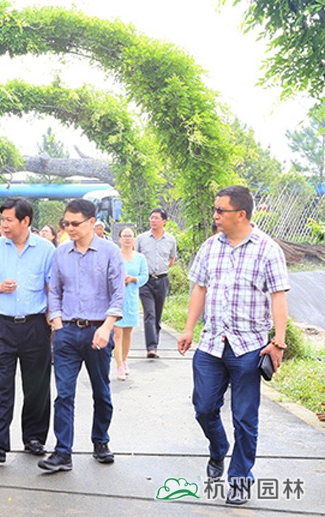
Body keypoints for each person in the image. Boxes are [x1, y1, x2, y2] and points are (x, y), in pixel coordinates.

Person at [177, 186, 289, 506]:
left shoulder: (267, 250)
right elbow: (200, 288)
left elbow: (278, 296)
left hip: (249, 347)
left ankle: (240, 479)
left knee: (245, 418)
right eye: (215, 209)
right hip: (211, 344)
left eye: (220, 210)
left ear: (240, 214)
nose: (215, 215)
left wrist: (278, 342)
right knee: (203, 408)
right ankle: (218, 448)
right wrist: (188, 329)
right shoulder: (210, 246)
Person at [38, 198, 125, 473]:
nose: (70, 228)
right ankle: (62, 452)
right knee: (64, 395)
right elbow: (55, 290)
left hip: (99, 331)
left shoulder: (110, 252)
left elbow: (118, 294)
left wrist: (107, 326)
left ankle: (101, 440)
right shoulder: (61, 253)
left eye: (75, 223)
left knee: (101, 391)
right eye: (66, 223)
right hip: (67, 332)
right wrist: (57, 322)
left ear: (91, 222)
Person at [0, 198, 55, 463]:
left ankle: (34, 438)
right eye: (2, 220)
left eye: (9, 220)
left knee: (37, 386)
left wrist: (53, 319)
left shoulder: (45, 249)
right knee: (2, 386)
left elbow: (51, 287)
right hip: (3, 327)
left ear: (25, 221)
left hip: (35, 326)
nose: (3, 225)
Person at [135, 208, 177, 358]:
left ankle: (155, 345)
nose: (153, 220)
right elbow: (135, 257)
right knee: (150, 313)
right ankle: (151, 347)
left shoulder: (170, 240)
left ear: (164, 221)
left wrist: (161, 270)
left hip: (162, 280)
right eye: (151, 218)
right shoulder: (141, 238)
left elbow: (172, 260)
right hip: (145, 280)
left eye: (156, 218)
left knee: (157, 315)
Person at [113, 226, 148, 380]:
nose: (127, 238)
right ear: (119, 239)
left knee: (127, 332)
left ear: (134, 239)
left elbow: (144, 276)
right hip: (116, 298)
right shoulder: (114, 256)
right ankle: (119, 365)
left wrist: (133, 279)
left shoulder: (140, 258)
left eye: (130, 236)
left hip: (131, 297)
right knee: (117, 333)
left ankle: (124, 359)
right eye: (124, 236)